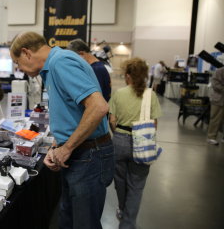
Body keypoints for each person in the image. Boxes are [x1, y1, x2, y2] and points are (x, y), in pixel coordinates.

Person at [10, 32, 113, 229]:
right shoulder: (52, 68)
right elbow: (70, 112)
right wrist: (58, 144)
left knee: (84, 223)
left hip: (88, 155)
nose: (19, 68)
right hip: (79, 153)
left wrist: (66, 148)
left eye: (18, 62)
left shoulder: (61, 63)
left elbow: (98, 107)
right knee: (68, 217)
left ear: (26, 53)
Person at [109, 57, 162, 229]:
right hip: (143, 142)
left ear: (128, 76)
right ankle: (128, 223)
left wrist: (117, 134)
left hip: (120, 140)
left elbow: (112, 120)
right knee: (136, 185)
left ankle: (122, 209)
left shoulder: (119, 94)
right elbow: (154, 124)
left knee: (120, 181)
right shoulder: (150, 94)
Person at [206, 67, 224, 145]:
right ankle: (211, 137)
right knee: (215, 119)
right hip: (218, 99)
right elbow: (215, 84)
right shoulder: (219, 71)